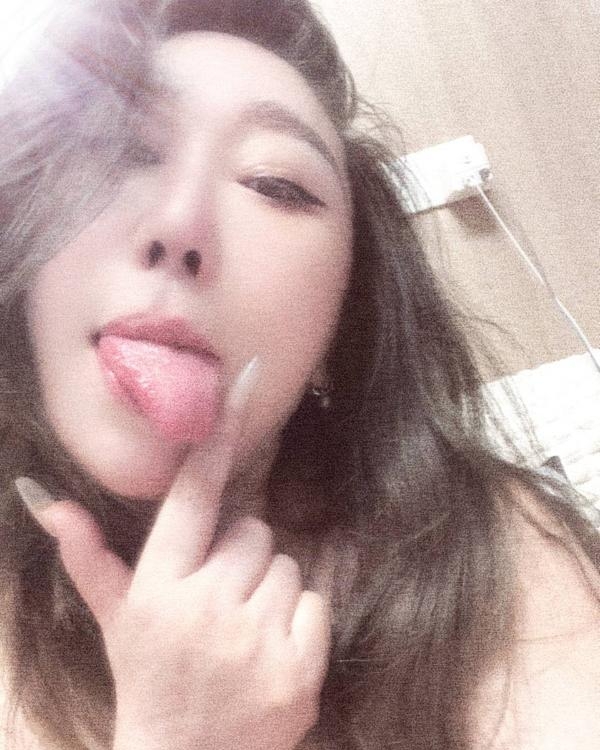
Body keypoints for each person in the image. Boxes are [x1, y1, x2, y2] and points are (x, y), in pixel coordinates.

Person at [0, 0, 599, 748]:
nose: (180, 224)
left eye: (274, 184)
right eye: (120, 152)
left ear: (340, 324)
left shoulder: (489, 557)